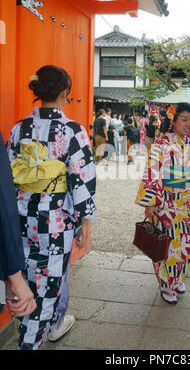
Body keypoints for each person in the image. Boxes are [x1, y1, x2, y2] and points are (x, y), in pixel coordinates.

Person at [7, 65, 97, 349]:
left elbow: (7, 176)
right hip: (55, 224)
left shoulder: (18, 129)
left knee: (21, 281)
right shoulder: (72, 131)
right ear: (64, 93)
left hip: (19, 219)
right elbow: (83, 180)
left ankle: (29, 330)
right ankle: (30, 343)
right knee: (46, 286)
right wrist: (85, 222)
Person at [135, 103, 190, 305]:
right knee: (168, 246)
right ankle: (167, 284)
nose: (188, 124)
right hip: (166, 202)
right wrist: (150, 203)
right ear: (174, 121)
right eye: (183, 119)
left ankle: (176, 278)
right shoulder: (161, 144)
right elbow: (152, 173)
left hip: (186, 203)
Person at [0, 132, 36, 317]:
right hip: (55, 217)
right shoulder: (74, 130)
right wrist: (14, 275)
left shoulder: (19, 128)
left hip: (25, 208)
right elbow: (3, 198)